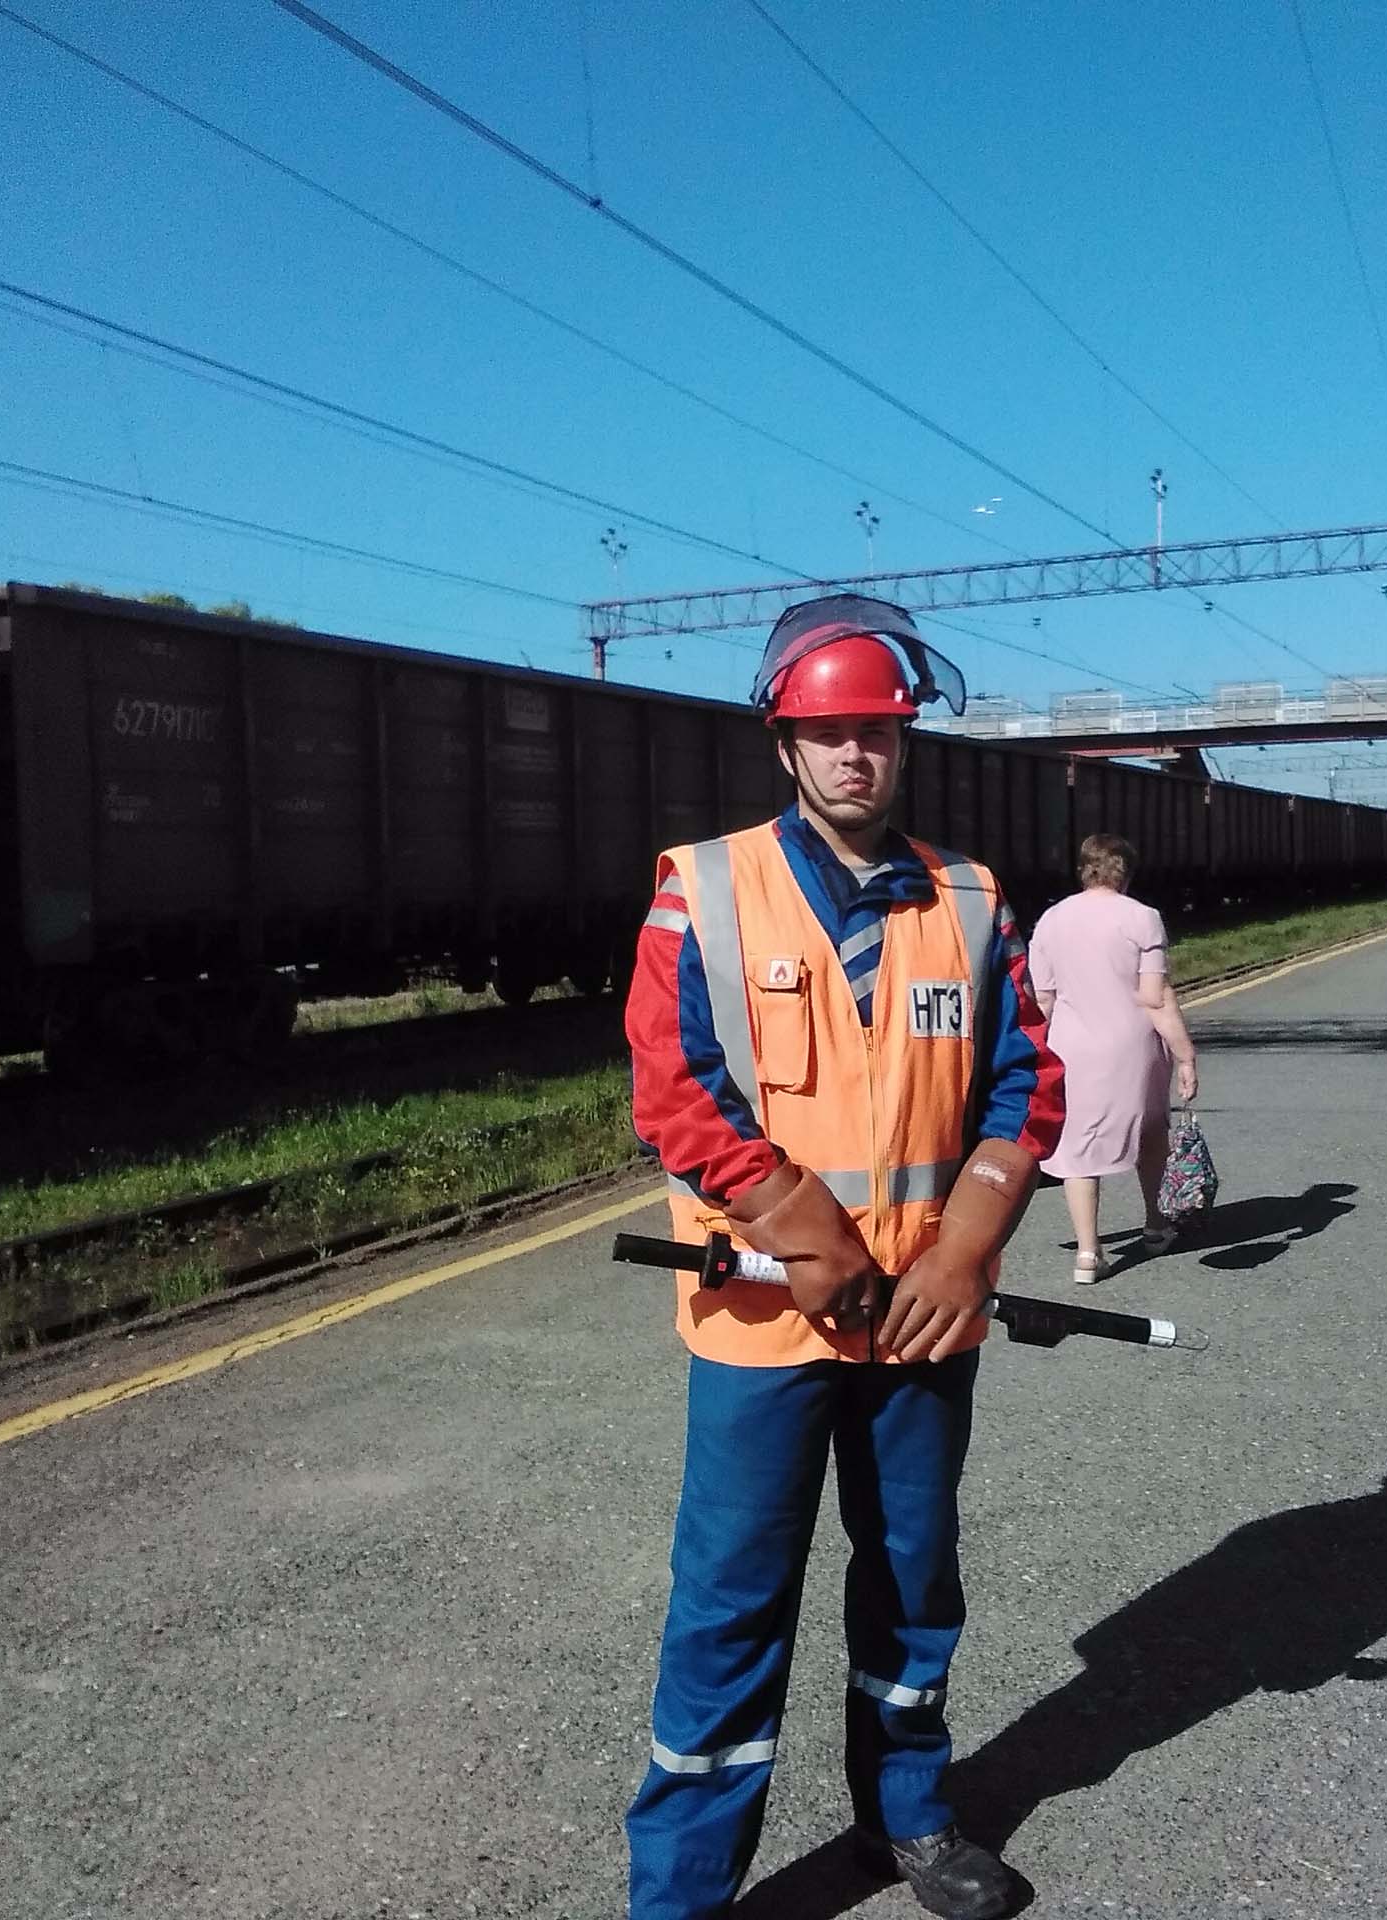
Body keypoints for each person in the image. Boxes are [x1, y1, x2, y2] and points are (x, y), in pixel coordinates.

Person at [621, 593, 1066, 1920]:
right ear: (785, 745)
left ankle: (910, 1819)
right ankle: (683, 1893)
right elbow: (674, 1088)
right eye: (828, 733)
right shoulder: (704, 889)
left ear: (904, 739)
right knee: (731, 1606)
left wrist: (972, 1241)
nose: (855, 755)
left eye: (876, 729)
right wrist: (803, 1233)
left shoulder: (976, 903)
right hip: (764, 1325)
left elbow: (1023, 1086)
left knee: (914, 1576)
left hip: (924, 1320)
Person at [1027, 834, 1198, 1283]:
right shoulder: (1142, 917)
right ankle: (1157, 1225)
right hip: (1132, 1048)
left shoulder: (1051, 919)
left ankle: (1088, 1253)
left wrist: (1031, 1055)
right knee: (1151, 1131)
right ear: (1127, 871)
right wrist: (1186, 1055)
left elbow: (1041, 1000)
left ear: (1084, 869)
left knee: (1078, 1147)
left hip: (1072, 1048)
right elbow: (1155, 997)